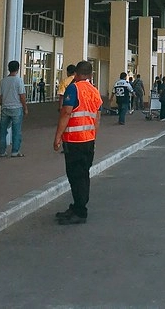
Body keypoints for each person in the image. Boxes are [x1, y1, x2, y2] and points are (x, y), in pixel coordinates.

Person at [53, 60, 102, 225]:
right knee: (83, 174)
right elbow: (97, 117)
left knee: (76, 176)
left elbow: (66, 113)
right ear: (91, 74)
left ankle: (80, 211)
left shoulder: (74, 88)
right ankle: (76, 206)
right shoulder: (94, 91)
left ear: (76, 74)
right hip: (88, 140)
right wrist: (93, 136)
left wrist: (57, 136)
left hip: (75, 141)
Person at [0, 61, 28, 157]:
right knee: (16, 130)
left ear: (8, 68)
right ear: (18, 69)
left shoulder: (3, 81)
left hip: (5, 108)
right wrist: (25, 107)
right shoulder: (19, 81)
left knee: (2, 130)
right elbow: (22, 96)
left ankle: (2, 151)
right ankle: (15, 151)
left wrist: (3, 104)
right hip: (17, 108)